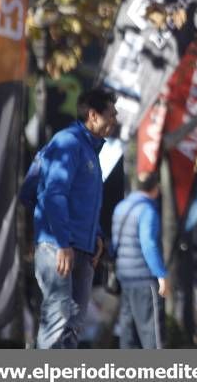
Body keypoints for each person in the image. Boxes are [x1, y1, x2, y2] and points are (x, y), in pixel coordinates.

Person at [33, 87, 117, 349]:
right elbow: (54, 194)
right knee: (57, 324)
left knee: (72, 329)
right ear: (93, 115)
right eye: (111, 115)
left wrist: (99, 236)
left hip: (83, 249)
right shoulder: (68, 142)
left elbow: (84, 203)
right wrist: (62, 242)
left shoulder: (91, 150)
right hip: (60, 247)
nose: (114, 121)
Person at [111, 172, 170, 349]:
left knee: (128, 334)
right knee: (152, 332)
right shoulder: (148, 210)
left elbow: (115, 243)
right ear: (156, 188)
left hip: (124, 277)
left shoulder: (121, 207)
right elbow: (149, 244)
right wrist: (161, 274)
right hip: (144, 279)